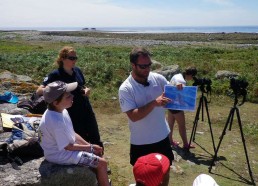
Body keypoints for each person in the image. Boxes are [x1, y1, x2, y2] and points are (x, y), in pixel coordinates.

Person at [38, 81, 109, 186]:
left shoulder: (61, 111)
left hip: (65, 149)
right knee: (102, 163)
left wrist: (89, 146)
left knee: (96, 154)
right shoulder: (55, 121)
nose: (72, 96)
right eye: (67, 96)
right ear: (56, 102)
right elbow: (68, 147)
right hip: (60, 155)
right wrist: (90, 148)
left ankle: (98, 181)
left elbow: (72, 133)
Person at [118, 47, 174, 171]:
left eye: (149, 65)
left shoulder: (158, 79)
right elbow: (133, 116)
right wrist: (154, 103)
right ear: (133, 65)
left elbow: (173, 94)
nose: (147, 69)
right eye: (143, 66)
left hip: (162, 137)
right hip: (141, 142)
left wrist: (179, 88)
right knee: (143, 178)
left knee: (165, 171)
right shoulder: (126, 88)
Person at [36, 46, 103, 148]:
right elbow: (39, 91)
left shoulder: (77, 71)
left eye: (75, 58)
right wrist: (58, 91)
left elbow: (81, 85)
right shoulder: (55, 75)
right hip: (71, 111)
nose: (74, 60)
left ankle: (99, 158)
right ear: (62, 59)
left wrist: (86, 90)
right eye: (71, 58)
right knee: (80, 137)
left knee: (95, 136)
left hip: (85, 108)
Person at [167, 66, 197, 149]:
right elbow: (181, 94)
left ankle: (170, 141)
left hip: (170, 104)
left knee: (170, 124)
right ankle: (186, 144)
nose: (192, 79)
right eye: (192, 77)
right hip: (176, 106)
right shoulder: (181, 80)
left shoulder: (177, 75)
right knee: (182, 125)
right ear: (190, 75)